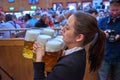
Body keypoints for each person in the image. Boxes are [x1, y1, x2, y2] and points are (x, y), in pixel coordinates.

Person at [33, 11, 106, 80]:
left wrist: (39, 59)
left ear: (79, 37)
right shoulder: (78, 52)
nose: (62, 29)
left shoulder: (68, 65)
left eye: (67, 28)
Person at [98, 0, 120, 80]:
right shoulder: (102, 21)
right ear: (108, 9)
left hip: (118, 57)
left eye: (117, 10)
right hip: (105, 56)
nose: (114, 13)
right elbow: (96, 35)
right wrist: (103, 34)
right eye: (112, 10)